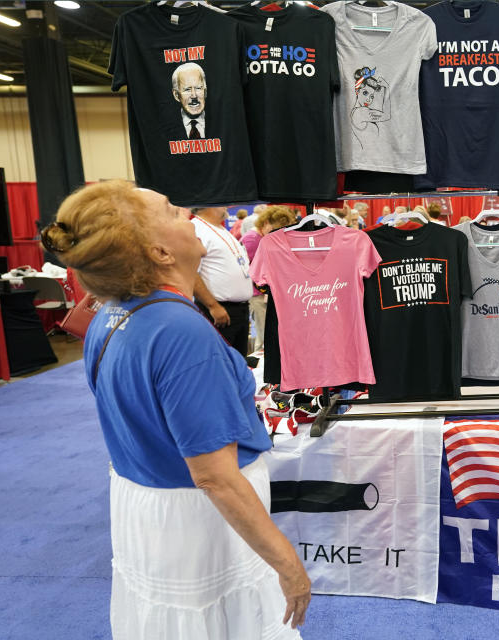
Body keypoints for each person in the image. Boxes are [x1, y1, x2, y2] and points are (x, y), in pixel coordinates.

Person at [39, 180, 310, 639]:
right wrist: (288, 565)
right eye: (170, 210)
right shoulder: (181, 333)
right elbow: (214, 476)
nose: (185, 211)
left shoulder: (111, 312)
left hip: (149, 505)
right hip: (198, 518)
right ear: (160, 252)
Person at [192, 205, 255, 355]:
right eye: (222, 203)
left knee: (239, 364)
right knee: (222, 363)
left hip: (239, 309)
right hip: (220, 311)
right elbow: (191, 273)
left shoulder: (220, 229)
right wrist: (213, 306)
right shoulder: (196, 229)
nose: (226, 205)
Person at [242, 205, 297, 352]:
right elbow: (251, 270)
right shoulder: (252, 239)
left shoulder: (262, 239)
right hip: (259, 295)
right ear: (266, 223)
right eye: (275, 229)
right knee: (263, 335)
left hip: (270, 293)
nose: (277, 234)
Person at [172, 62, 207, 139]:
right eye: (187, 89)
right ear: (176, 95)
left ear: (205, 91)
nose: (194, 95)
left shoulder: (222, 123)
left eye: (198, 88)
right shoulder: (167, 126)